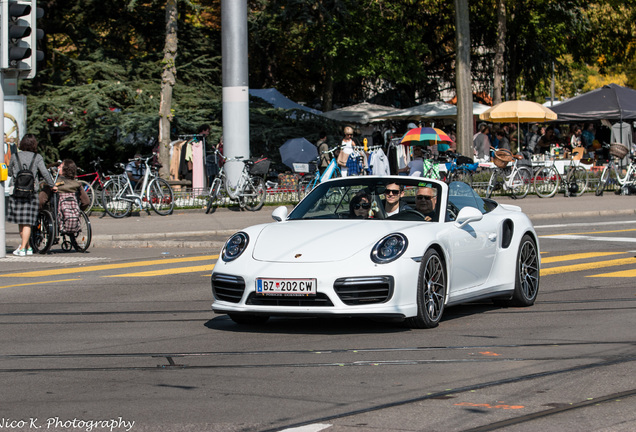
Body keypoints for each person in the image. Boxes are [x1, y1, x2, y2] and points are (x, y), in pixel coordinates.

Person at [6, 134, 57, 256]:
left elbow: (9, 173)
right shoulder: (37, 157)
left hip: (17, 192)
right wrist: (52, 185)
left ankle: (23, 248)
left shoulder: (14, 156)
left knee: (21, 222)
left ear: (22, 143)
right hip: (31, 193)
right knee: (27, 222)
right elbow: (44, 172)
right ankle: (27, 247)